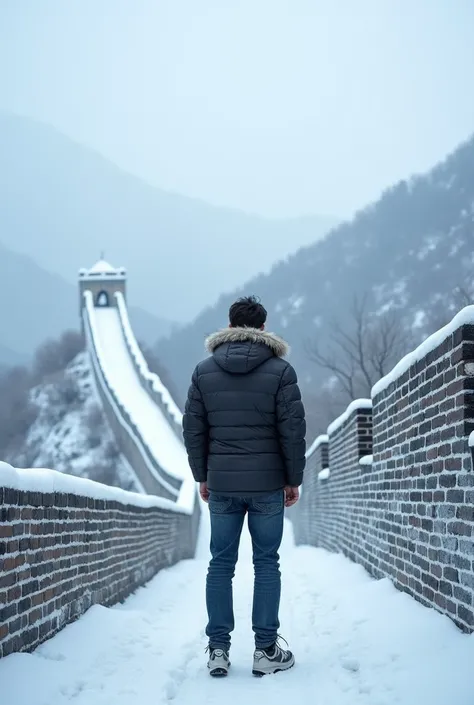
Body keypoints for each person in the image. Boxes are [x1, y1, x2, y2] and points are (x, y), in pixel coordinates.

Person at [182, 295, 306, 678]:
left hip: (222, 484)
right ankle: (265, 651)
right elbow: (293, 432)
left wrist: (203, 474)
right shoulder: (281, 371)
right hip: (268, 484)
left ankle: (218, 650)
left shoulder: (204, 371)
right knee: (266, 562)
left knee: (221, 564)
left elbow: (193, 430)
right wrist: (292, 479)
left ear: (230, 326)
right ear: (263, 329)